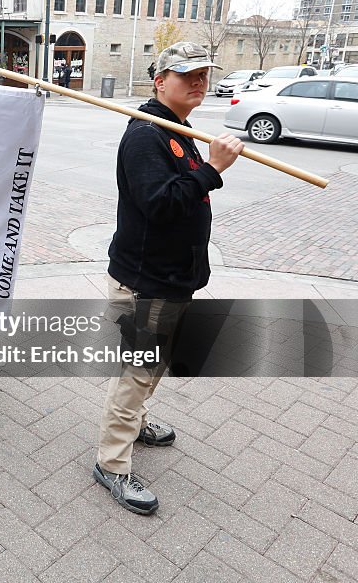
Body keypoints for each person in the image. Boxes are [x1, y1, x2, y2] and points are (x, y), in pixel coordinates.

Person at [95, 41, 244, 515]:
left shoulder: (176, 127)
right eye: (187, 75)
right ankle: (112, 464)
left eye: (203, 74)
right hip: (149, 281)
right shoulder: (146, 135)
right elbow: (160, 204)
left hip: (172, 277)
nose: (199, 82)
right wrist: (213, 168)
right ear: (160, 82)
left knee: (152, 365)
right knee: (139, 372)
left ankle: (134, 423)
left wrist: (204, 166)